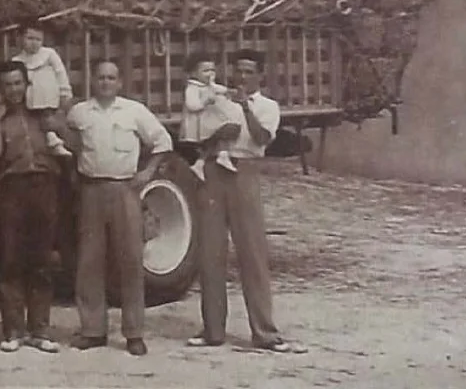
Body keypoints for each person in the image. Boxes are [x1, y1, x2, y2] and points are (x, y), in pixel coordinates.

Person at [188, 48, 306, 354]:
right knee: (210, 252)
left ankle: (265, 332)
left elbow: (262, 138)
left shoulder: (268, 106)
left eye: (249, 71)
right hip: (214, 169)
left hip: (245, 171)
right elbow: (200, 136)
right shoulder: (218, 99)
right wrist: (217, 133)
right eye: (238, 70)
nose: (241, 76)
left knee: (252, 252)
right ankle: (213, 330)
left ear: (260, 76)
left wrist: (245, 109)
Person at [64, 59, 173, 356]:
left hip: (125, 189)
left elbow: (163, 141)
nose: (106, 83)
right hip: (91, 190)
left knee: (130, 260)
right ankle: (92, 329)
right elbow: (66, 143)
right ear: (92, 80)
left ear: (120, 82)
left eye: (111, 78)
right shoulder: (79, 113)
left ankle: (134, 332)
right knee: (89, 261)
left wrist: (148, 172)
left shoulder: (133, 111)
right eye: (101, 77)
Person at [0, 60, 62, 354]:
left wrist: (56, 125)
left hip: (45, 186)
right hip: (13, 188)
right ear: (0, 89)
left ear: (27, 84)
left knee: (42, 259)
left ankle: (40, 329)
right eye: (8, 85)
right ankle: (14, 330)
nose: (14, 90)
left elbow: (70, 144)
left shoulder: (43, 116)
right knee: (11, 258)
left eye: (18, 83)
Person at [11, 24, 74, 157]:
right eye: (30, 38)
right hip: (31, 98)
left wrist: (65, 93)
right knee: (34, 122)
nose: (34, 43)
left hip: (48, 95)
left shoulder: (49, 54)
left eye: (38, 39)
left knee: (50, 120)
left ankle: (55, 142)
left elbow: (60, 73)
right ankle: (43, 145)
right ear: (21, 38)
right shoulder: (17, 60)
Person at [180, 52, 240, 178]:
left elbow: (219, 89)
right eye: (205, 71)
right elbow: (192, 105)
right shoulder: (192, 88)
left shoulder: (210, 86)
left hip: (210, 120)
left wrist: (228, 91)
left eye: (212, 70)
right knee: (222, 132)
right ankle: (209, 159)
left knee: (228, 130)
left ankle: (219, 156)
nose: (210, 74)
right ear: (193, 73)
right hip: (199, 123)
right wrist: (205, 102)